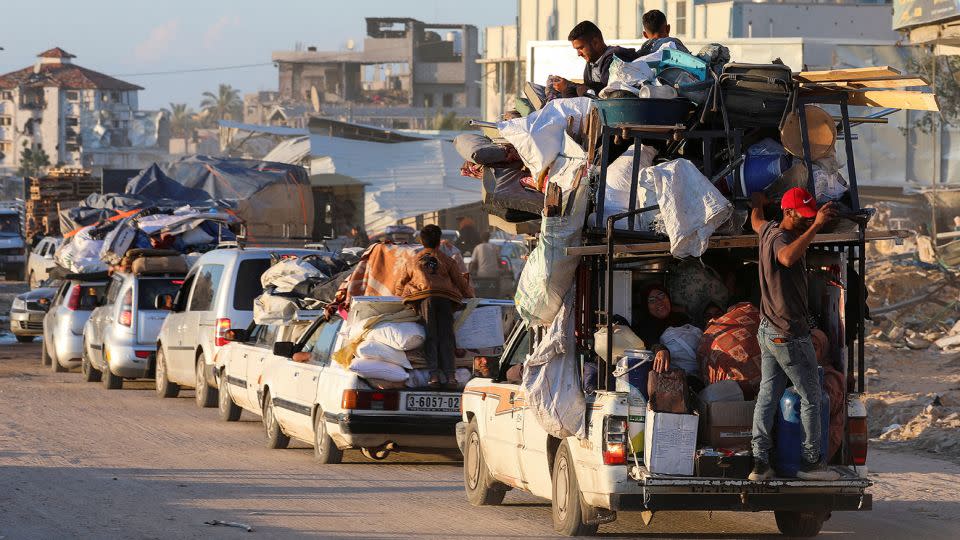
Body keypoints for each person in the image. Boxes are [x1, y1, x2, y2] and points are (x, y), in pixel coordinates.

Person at [748, 188, 840, 481]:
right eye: (804, 217)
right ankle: (811, 463)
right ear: (788, 213)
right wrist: (816, 227)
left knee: (768, 395)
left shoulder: (767, 230)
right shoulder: (781, 239)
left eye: (811, 217)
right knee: (812, 397)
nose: (808, 221)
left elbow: (755, 219)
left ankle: (760, 462)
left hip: (768, 330)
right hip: (789, 334)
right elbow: (787, 258)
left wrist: (757, 202)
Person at [394, 225, 475, 389]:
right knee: (447, 337)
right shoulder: (448, 260)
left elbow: (399, 286)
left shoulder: (412, 260)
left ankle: (434, 376)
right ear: (439, 243)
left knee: (431, 336)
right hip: (446, 300)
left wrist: (400, 299)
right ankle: (451, 377)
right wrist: (471, 298)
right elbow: (461, 284)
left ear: (422, 242)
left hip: (425, 300)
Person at [552, 21, 640, 98]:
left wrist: (568, 86)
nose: (579, 54)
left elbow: (605, 93)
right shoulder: (591, 63)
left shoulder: (615, 60)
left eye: (581, 48)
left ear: (595, 42)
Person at [635, 284, 692, 373]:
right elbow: (649, 340)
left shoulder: (682, 319)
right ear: (646, 306)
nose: (659, 302)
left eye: (662, 296)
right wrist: (660, 349)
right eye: (652, 300)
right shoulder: (644, 326)